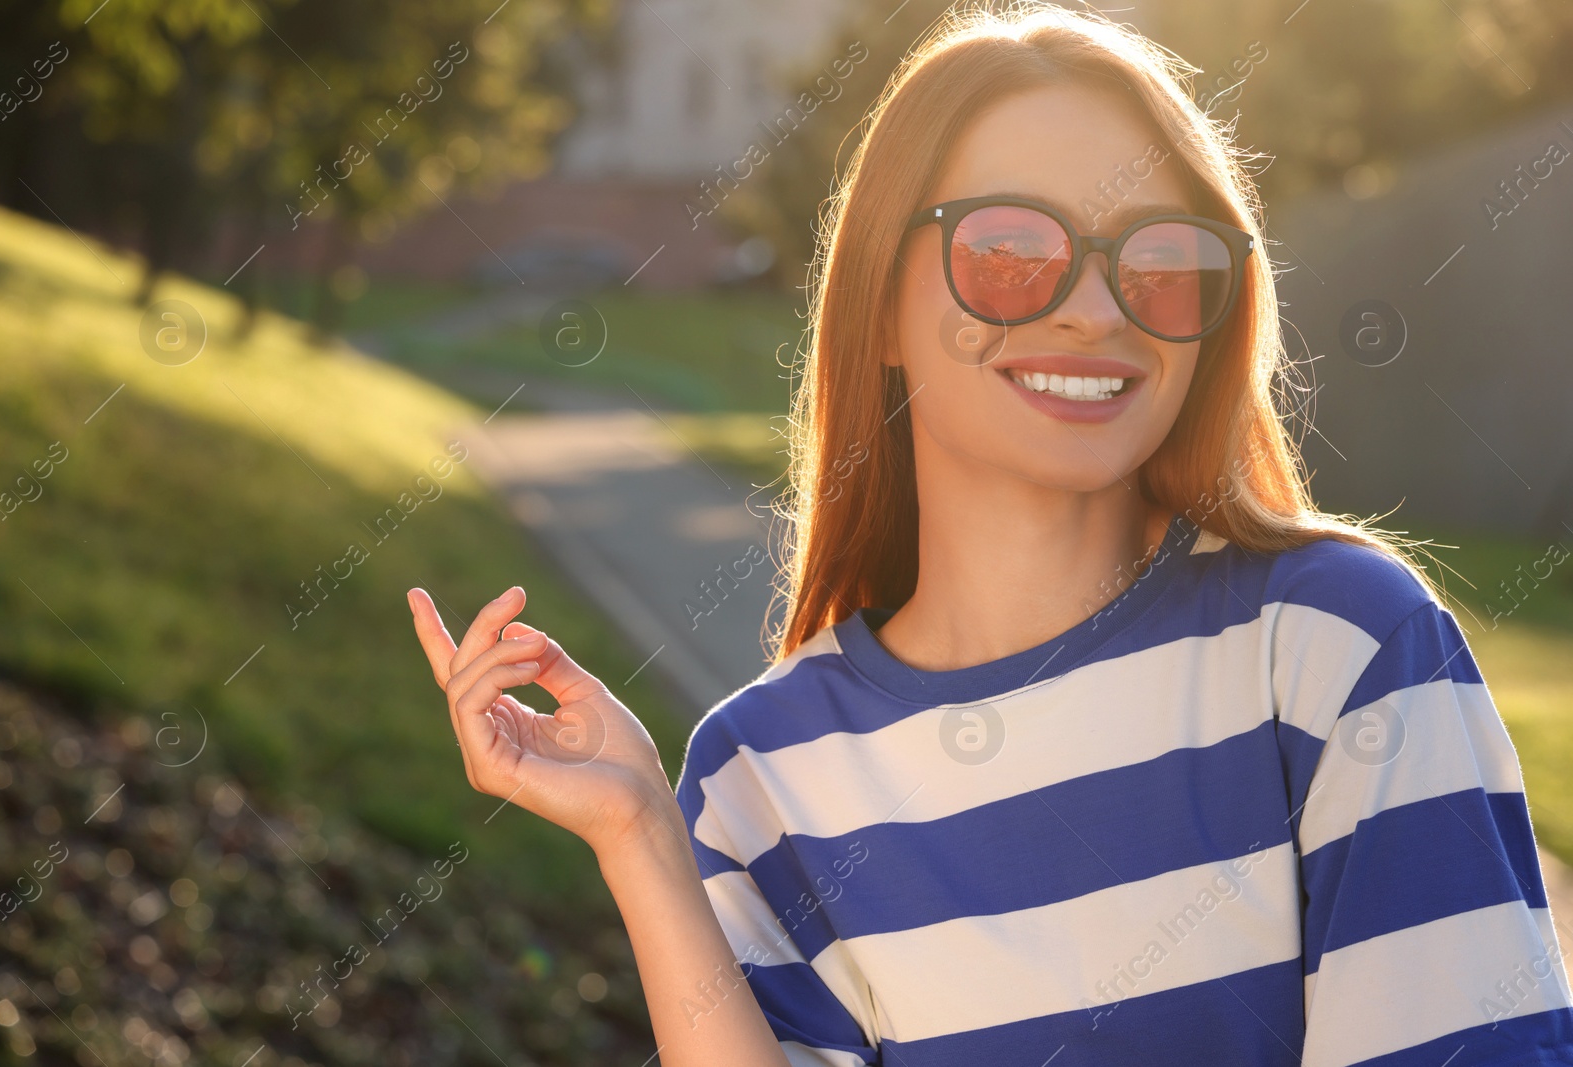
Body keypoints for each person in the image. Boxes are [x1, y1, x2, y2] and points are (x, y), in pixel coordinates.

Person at [407, 4, 1573, 1064]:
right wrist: (641, 837)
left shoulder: (1340, 650)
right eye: (1009, 252)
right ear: (884, 300)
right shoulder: (758, 774)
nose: (1095, 307)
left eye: (1161, 262)